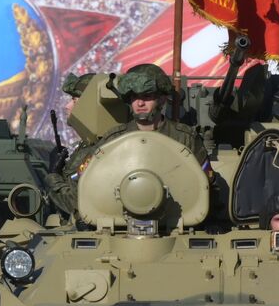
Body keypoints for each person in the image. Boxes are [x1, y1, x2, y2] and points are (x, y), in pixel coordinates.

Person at [48, 63, 209, 216]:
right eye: (134, 97)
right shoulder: (113, 140)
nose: (139, 103)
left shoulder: (184, 138)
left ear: (161, 99)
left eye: (147, 97)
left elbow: (207, 185)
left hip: (175, 223)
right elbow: (81, 191)